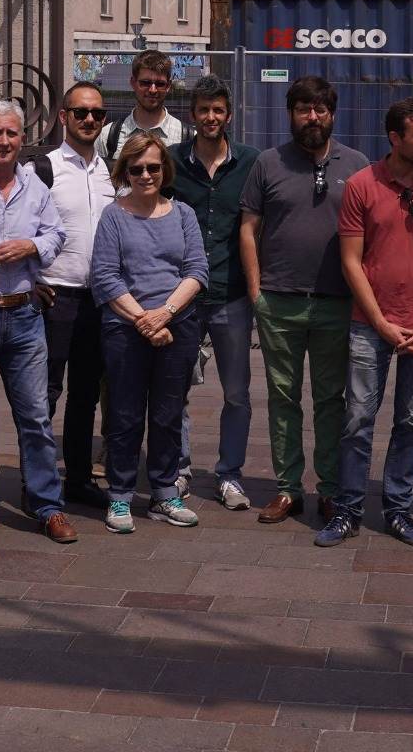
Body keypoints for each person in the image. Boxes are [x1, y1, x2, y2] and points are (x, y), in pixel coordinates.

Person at [316, 99, 413, 547]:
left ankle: (398, 509)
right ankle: (347, 509)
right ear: (394, 138)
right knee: (357, 419)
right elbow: (351, 260)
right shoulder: (362, 185)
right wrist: (380, 322)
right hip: (370, 325)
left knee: (412, 422)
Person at [241, 75, 369, 525]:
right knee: (283, 397)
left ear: (332, 114)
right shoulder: (268, 163)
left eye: (320, 109)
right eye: (303, 109)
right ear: (290, 113)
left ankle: (329, 489)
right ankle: (287, 488)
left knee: (332, 400)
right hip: (279, 302)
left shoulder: (357, 165)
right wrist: (256, 292)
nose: (312, 117)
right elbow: (248, 229)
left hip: (337, 303)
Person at [0, 100, 78, 545]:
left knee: (35, 416)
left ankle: (47, 505)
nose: (4, 141)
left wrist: (31, 247)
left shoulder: (34, 185)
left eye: (12, 133)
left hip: (25, 314)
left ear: (22, 139)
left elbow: (57, 233)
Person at [90, 132, 208, 530]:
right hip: (126, 329)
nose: (145, 175)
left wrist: (165, 313)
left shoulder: (184, 214)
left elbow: (197, 270)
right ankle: (121, 496)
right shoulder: (113, 216)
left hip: (178, 327)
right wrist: (145, 320)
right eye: (136, 168)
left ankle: (164, 492)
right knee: (124, 416)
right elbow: (105, 276)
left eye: (153, 167)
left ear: (164, 170)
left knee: (167, 414)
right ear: (125, 171)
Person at [171, 74, 260, 510]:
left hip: (232, 294)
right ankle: (179, 469)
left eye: (218, 110)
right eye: (204, 110)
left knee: (237, 393)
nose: (211, 117)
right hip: (182, 297)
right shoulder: (172, 162)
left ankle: (230, 475)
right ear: (193, 115)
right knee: (176, 391)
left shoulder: (250, 163)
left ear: (228, 115)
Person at [41, 82, 117, 508]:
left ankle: (79, 478)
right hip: (55, 297)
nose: (89, 119)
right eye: (80, 112)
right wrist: (32, 279)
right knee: (45, 394)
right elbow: (22, 225)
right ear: (63, 116)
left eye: (97, 113)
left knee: (86, 394)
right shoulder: (43, 168)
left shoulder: (112, 172)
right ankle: (38, 481)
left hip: (98, 299)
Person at [96, 50, 185, 162]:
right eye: (145, 83)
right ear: (133, 83)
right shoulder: (107, 136)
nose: (153, 90)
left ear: (168, 86)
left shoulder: (186, 137)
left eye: (160, 84)